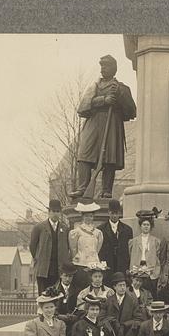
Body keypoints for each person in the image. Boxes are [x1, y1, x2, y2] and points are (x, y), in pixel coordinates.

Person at [70, 54, 137, 199]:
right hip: (94, 123)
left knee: (109, 157)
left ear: (114, 68)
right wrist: (103, 100)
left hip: (112, 124)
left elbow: (131, 111)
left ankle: (107, 190)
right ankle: (83, 188)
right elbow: (82, 107)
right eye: (101, 66)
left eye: (106, 66)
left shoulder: (122, 88)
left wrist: (119, 95)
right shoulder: (94, 86)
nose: (102, 69)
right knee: (84, 154)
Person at [29, 198, 71, 295]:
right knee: (44, 296)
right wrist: (38, 259)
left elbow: (68, 247)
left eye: (58, 211)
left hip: (58, 270)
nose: (56, 214)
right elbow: (32, 246)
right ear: (49, 212)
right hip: (43, 269)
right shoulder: (39, 227)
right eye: (53, 211)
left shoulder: (65, 229)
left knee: (58, 296)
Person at [104, 272, 145, 336]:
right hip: (112, 333)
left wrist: (124, 325)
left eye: (124, 285)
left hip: (128, 334)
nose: (123, 288)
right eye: (120, 285)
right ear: (114, 287)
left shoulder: (132, 301)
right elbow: (102, 318)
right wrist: (112, 323)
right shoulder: (109, 301)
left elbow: (139, 319)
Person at [68, 200, 104, 290]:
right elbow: (73, 248)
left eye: (91, 216)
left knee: (93, 287)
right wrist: (78, 256)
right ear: (83, 217)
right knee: (81, 287)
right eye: (87, 216)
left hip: (93, 263)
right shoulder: (76, 231)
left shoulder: (97, 232)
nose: (89, 218)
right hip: (81, 264)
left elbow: (98, 248)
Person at [128, 208, 162, 295]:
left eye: (148, 225)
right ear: (140, 226)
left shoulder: (156, 241)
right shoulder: (133, 241)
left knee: (150, 293)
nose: (146, 226)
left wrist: (155, 270)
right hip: (137, 270)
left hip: (150, 271)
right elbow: (130, 254)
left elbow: (159, 256)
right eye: (144, 224)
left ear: (151, 226)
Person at [97, 198, 132, 279]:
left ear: (119, 213)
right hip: (107, 265)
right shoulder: (100, 229)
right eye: (112, 213)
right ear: (108, 212)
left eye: (117, 213)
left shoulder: (127, 229)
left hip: (121, 265)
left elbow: (129, 250)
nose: (115, 216)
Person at [51, 262, 80, 336]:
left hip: (72, 319)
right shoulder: (53, 290)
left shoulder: (77, 290)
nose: (67, 279)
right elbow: (50, 307)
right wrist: (59, 316)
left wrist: (74, 315)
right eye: (65, 276)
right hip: (58, 318)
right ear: (61, 275)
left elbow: (80, 306)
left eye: (70, 276)